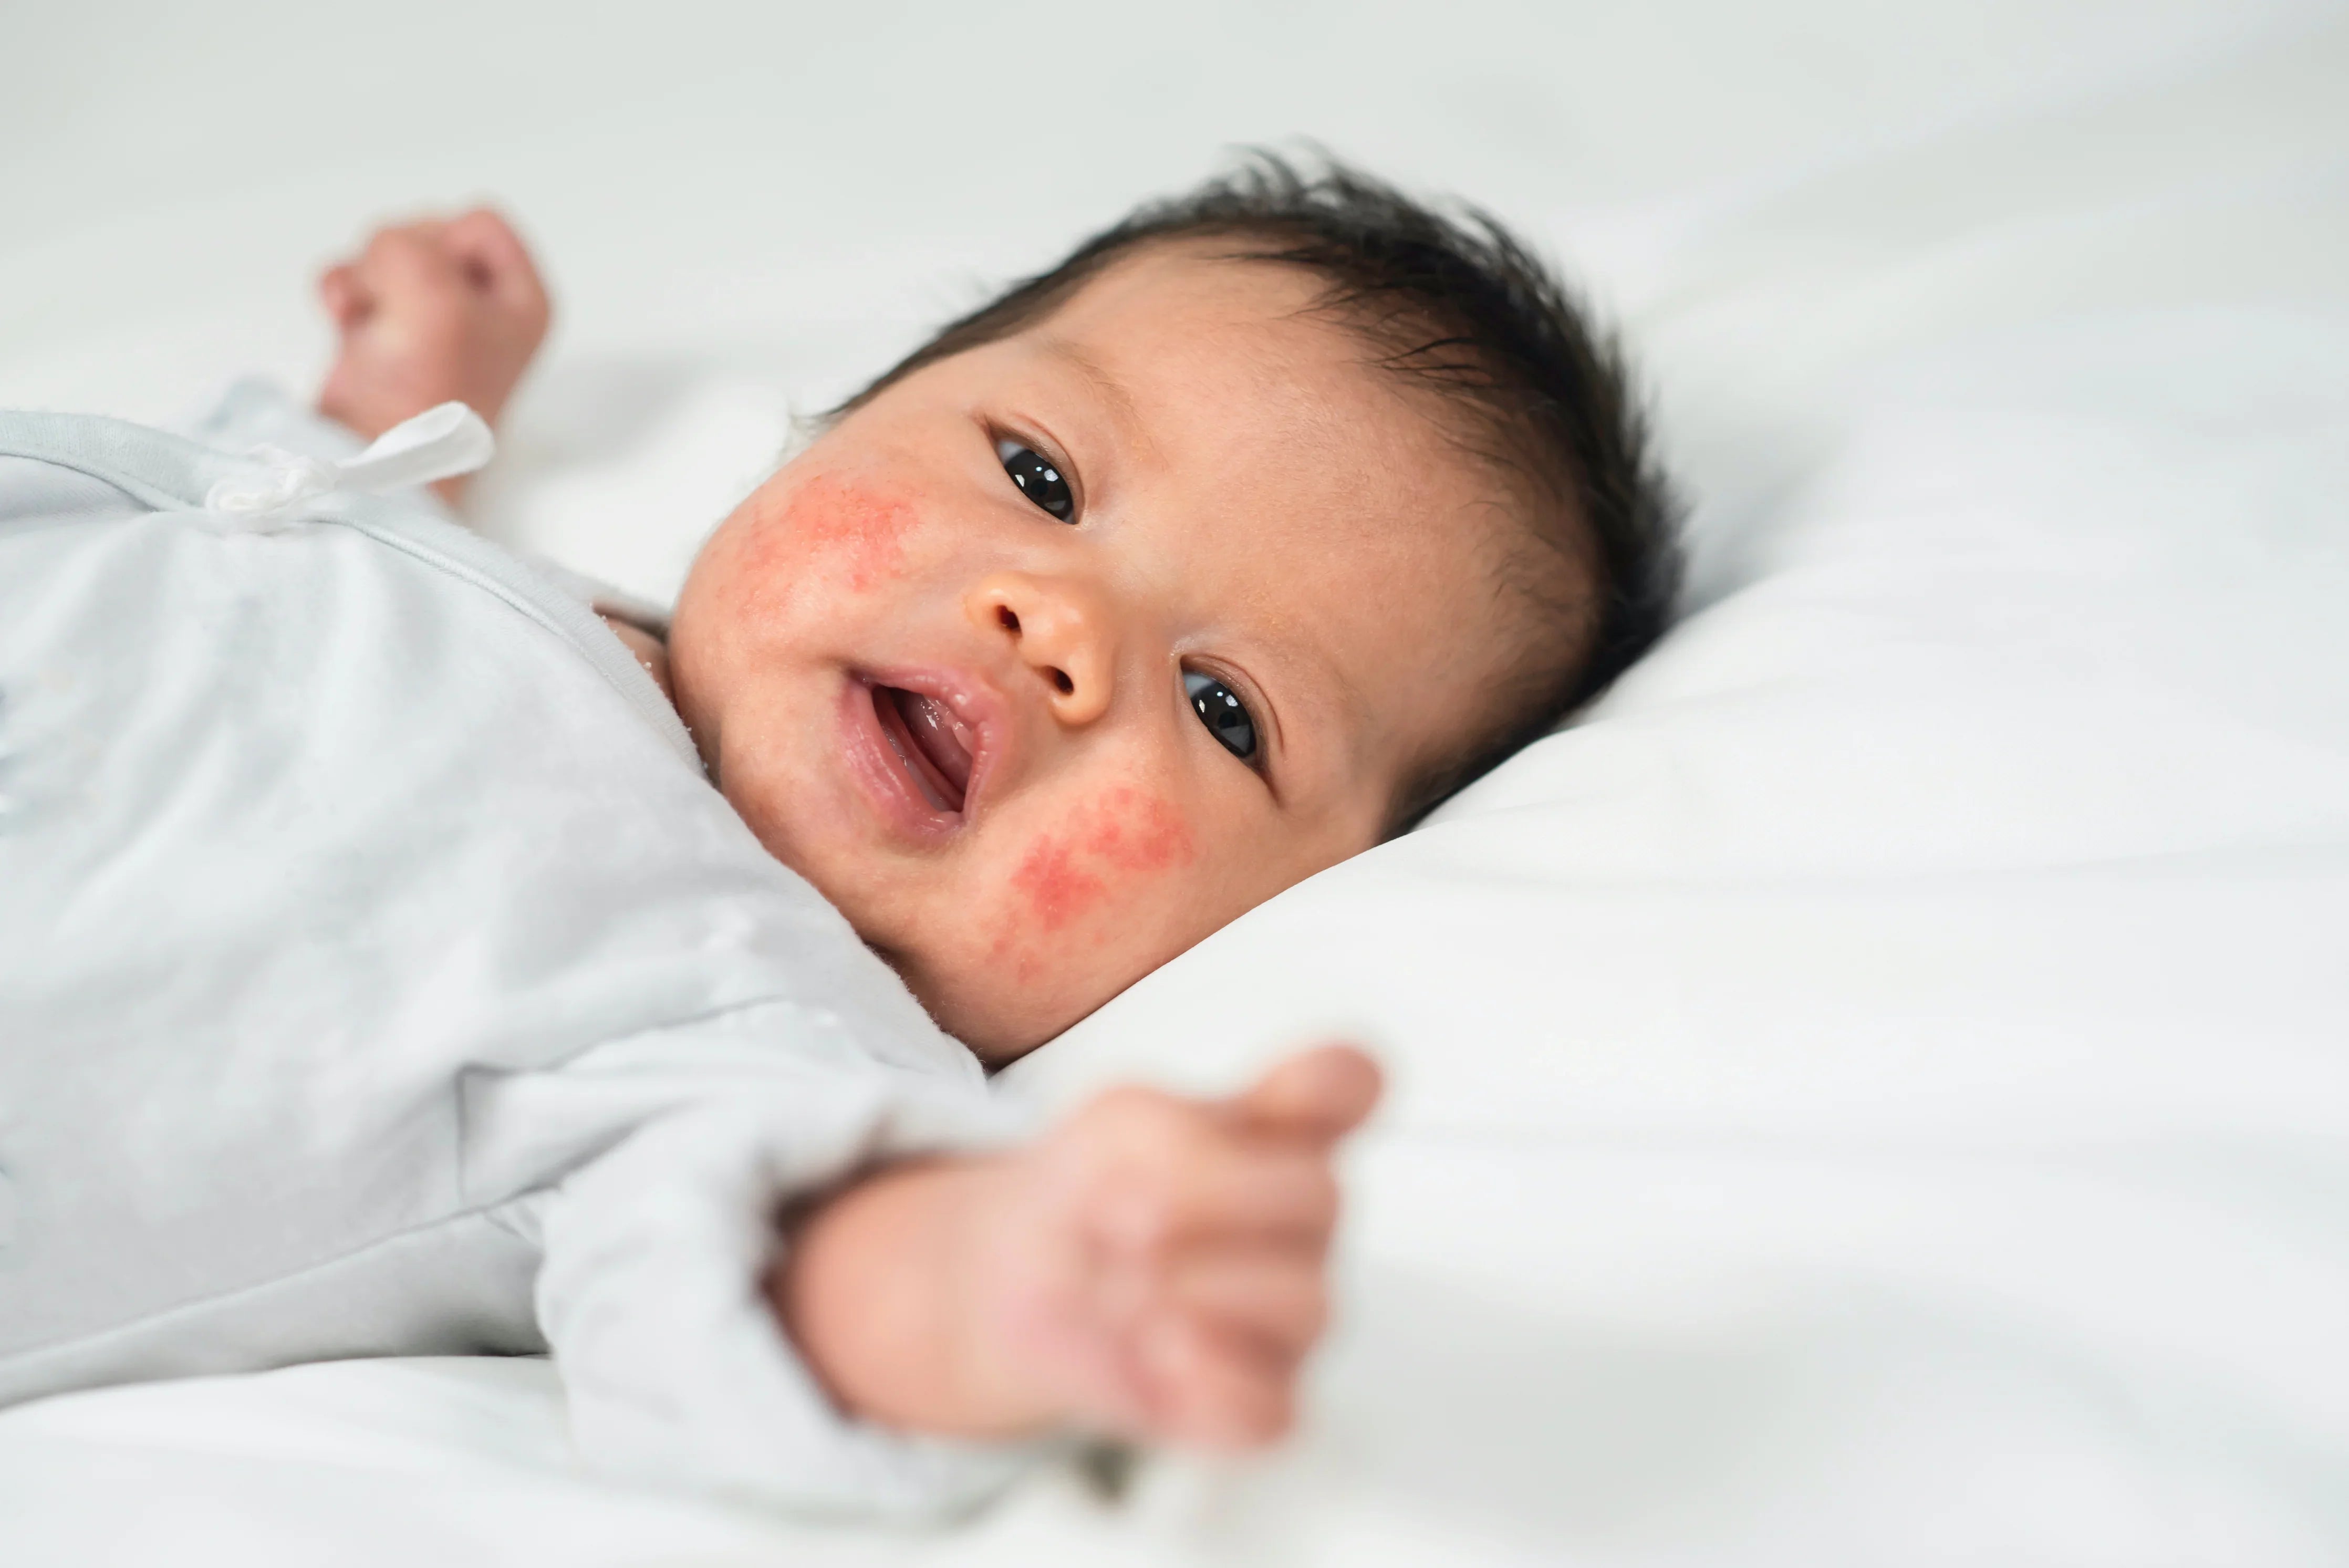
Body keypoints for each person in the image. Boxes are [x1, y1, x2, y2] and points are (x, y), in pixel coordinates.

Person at [0, 155, 1677, 1515]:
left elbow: (808, 1268)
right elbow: (299, 536)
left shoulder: (744, 1017)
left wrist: (1021, 1279)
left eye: (1225, 707)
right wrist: (400, 408)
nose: (1060, 623)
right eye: (1038, 473)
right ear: (846, 418)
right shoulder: (507, 593)